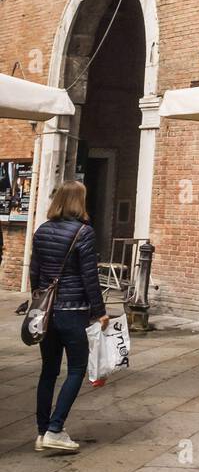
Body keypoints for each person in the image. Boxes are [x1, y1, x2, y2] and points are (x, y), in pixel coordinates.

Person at [29, 181, 108, 453]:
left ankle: (42, 433)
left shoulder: (41, 231)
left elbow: (35, 273)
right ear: (79, 202)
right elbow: (90, 277)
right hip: (73, 313)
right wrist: (99, 312)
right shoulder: (83, 233)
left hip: (47, 313)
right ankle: (55, 428)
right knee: (76, 369)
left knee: (48, 371)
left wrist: (38, 304)